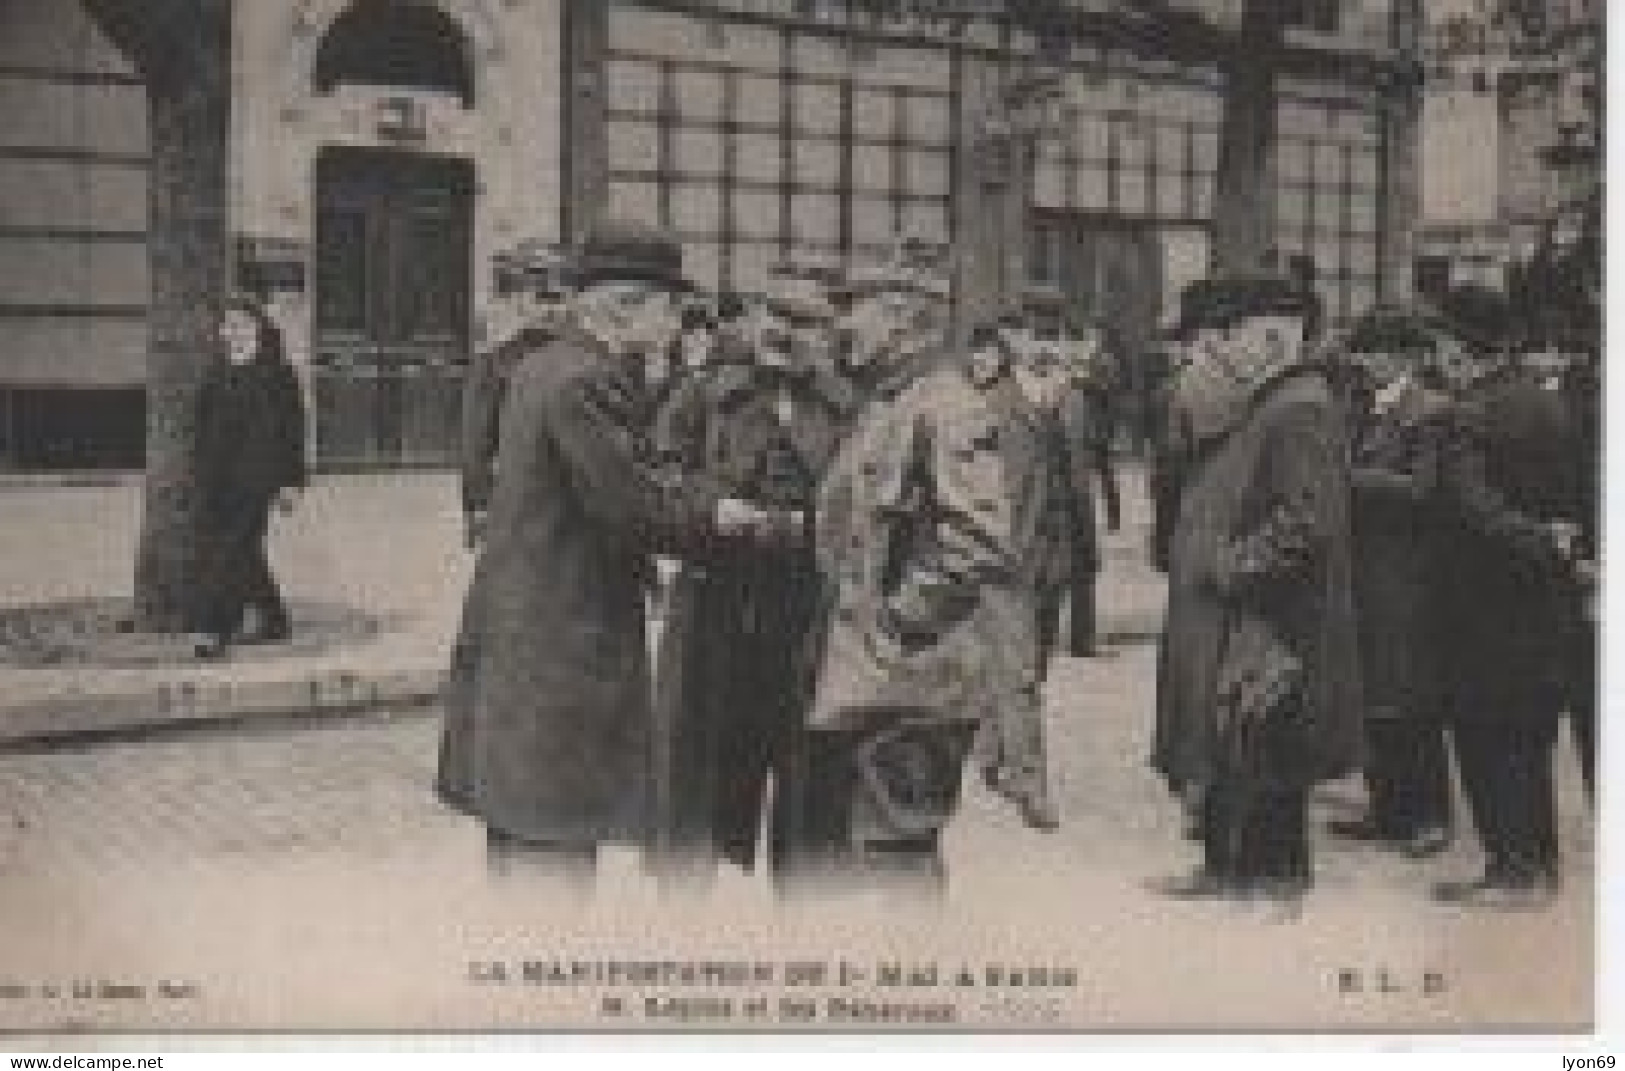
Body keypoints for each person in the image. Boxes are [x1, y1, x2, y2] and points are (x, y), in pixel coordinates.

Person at [435, 221, 795, 886]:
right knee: (553, 873)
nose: (676, 324)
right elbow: (631, 506)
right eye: (670, 308)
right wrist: (720, 514)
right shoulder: (586, 381)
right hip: (562, 660)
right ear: (625, 305)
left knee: (517, 857)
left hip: (520, 648)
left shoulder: (541, 366)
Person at [781, 240, 1045, 891]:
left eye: (857, 307)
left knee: (896, 859)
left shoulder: (947, 406)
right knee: (858, 857)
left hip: (910, 688)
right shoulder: (888, 402)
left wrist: (894, 626)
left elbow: (979, 542)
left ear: (902, 316)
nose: (844, 322)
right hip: (869, 686)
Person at [1151, 275, 1362, 913]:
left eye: (1228, 338)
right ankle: (1229, 870)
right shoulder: (1269, 400)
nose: (1219, 351)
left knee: (1269, 748)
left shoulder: (1298, 408)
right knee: (1234, 744)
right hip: (1243, 611)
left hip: (1271, 616)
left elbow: (1306, 522)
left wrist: (1232, 568)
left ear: (1273, 336)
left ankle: (1273, 882)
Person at [650, 258, 858, 876]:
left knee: (809, 797)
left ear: (829, 334)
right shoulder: (704, 396)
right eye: (776, 314)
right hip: (714, 613)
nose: (785, 332)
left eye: (805, 321)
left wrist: (813, 528)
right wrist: (712, 511)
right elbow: (658, 479)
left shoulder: (850, 410)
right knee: (694, 788)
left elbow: (872, 507)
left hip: (808, 621)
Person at [1428, 292, 1587, 908]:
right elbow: (1573, 496)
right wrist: (1557, 544)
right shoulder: (1548, 405)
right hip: (1539, 602)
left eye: (1442, 343)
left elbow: (1472, 510)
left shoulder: (1465, 414)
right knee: (1527, 735)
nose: (1437, 356)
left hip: (1479, 603)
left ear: (1464, 348)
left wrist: (1534, 539)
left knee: (1484, 733)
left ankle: (1511, 872)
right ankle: (1538, 866)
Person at [1326, 337, 1455, 859]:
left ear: (1405, 357)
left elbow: (1423, 489)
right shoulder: (1368, 408)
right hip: (1370, 572)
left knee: (1412, 698)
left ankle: (1429, 816)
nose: (1367, 361)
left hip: (1407, 576)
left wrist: (1352, 479)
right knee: (1376, 692)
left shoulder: (1428, 412)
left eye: (1377, 353)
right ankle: (1388, 808)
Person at [192, 294, 309, 659]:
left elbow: (294, 430)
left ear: (257, 327)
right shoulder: (217, 370)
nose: (231, 332)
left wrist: (291, 483)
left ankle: (215, 629)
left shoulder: (276, 373)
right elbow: (201, 423)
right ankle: (275, 618)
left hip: (259, 479)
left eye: (239, 324)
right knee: (244, 550)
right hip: (217, 478)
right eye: (227, 325)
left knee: (233, 549)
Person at [459, 242, 571, 549]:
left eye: (559, 299)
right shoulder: (495, 363)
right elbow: (476, 444)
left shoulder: (581, 360)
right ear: (520, 302)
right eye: (541, 299)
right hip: (517, 504)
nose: (550, 310)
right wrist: (478, 507)